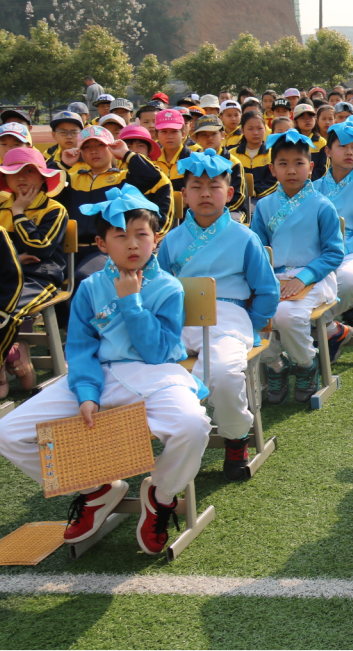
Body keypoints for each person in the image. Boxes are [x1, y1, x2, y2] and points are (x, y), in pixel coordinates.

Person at [0, 187, 211, 554]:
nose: (133, 244)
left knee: (193, 427)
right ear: (101, 244)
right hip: (97, 376)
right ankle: (96, 488)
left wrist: (131, 302)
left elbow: (158, 351)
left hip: (156, 376)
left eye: (142, 234)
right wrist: (86, 393)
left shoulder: (168, 287)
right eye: (121, 236)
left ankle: (160, 496)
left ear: (155, 240)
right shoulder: (90, 287)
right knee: (9, 432)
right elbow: (80, 348)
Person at [158, 150, 278, 480]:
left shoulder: (244, 237)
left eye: (214, 186)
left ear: (230, 192)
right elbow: (156, 287)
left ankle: (236, 436)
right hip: (179, 318)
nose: (205, 194)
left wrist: (250, 325)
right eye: (196, 186)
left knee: (224, 373)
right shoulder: (171, 240)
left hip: (227, 314)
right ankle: (174, 437)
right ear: (184, 194)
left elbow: (267, 290)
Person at [250, 131, 344, 405]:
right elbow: (257, 250)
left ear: (311, 166)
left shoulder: (322, 205)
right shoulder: (265, 205)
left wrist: (302, 279)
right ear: (272, 169)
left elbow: (333, 253)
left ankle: (306, 363)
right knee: (251, 319)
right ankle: (276, 363)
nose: (291, 170)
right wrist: (266, 281)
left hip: (314, 278)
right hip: (273, 278)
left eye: (299, 163)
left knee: (287, 318)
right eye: (283, 164)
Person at [59, 125, 172, 284]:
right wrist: (62, 165)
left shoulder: (124, 178)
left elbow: (153, 177)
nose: (93, 151)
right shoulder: (71, 178)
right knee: (51, 278)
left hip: (106, 249)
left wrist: (127, 154)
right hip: (71, 249)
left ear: (110, 148)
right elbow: (46, 191)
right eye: (87, 147)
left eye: (100, 145)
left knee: (83, 277)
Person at [0, 148, 68, 396]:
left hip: (38, 277)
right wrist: (13, 258)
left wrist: (18, 212)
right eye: (13, 172)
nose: (21, 177)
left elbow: (40, 248)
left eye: (29, 171)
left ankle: (7, 358)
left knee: (6, 309)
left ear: (42, 178)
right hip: (5, 274)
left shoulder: (54, 209)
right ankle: (12, 353)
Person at [314, 121, 353, 361]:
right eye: (343, 146)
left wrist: (342, 249)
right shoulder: (315, 187)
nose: (350, 152)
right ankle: (331, 329)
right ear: (328, 151)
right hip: (318, 248)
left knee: (350, 280)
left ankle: (324, 326)